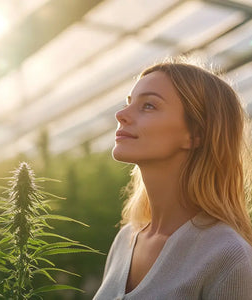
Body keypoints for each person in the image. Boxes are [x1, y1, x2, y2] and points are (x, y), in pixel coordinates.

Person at [93, 57, 252, 300]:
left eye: (148, 106)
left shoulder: (228, 256)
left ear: (196, 134)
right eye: (128, 103)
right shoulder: (126, 239)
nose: (121, 114)